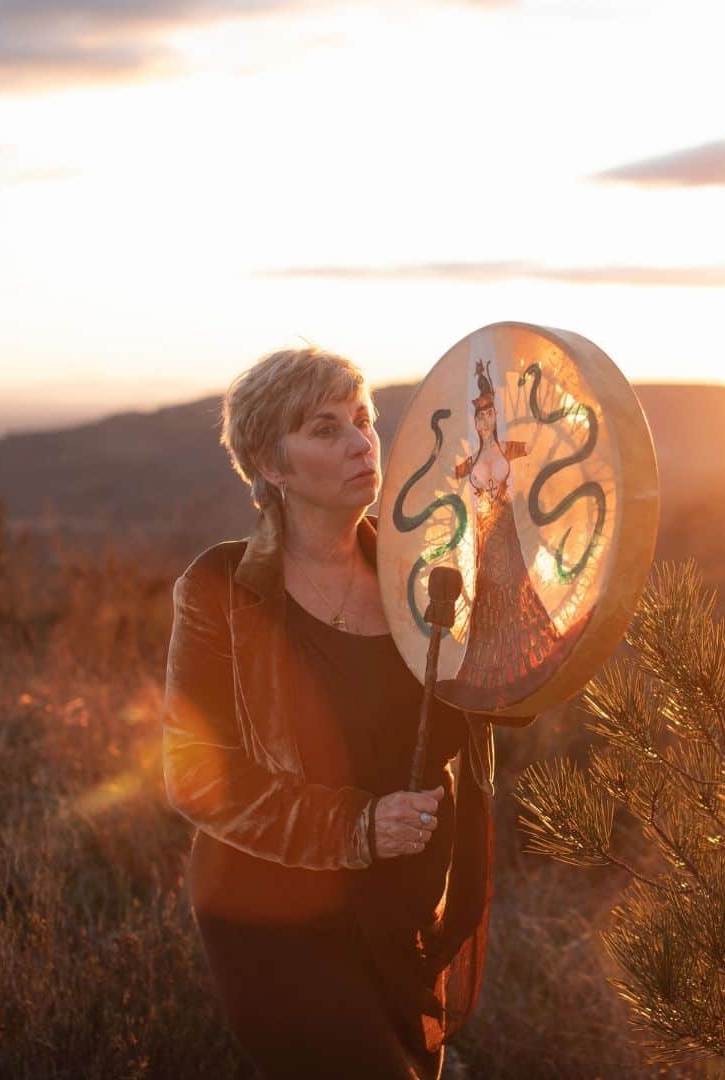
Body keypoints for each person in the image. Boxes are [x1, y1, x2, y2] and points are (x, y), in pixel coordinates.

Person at [161, 347, 529, 1079]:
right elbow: (196, 778)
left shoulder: (428, 574)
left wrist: (500, 538)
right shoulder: (222, 588)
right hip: (271, 911)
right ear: (272, 465)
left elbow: (506, 699)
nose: (362, 442)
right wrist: (358, 827)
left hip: (402, 905)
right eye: (325, 429)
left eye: (363, 419)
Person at [448, 359, 588, 712]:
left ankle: (524, 666)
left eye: (489, 415)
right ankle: (487, 674)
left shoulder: (510, 448)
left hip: (507, 529)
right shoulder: (469, 462)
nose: (485, 422)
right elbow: (446, 477)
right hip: (483, 536)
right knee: (487, 599)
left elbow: (539, 449)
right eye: (480, 417)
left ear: (495, 416)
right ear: (475, 421)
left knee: (516, 593)